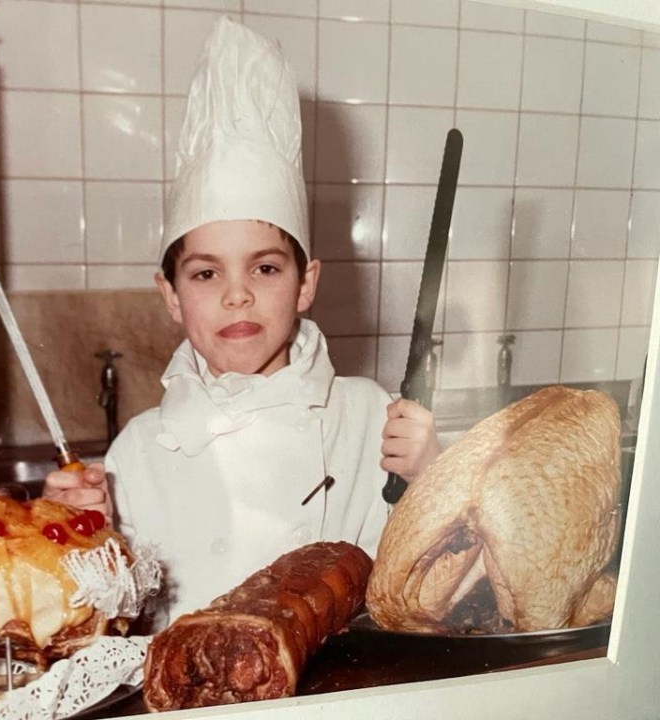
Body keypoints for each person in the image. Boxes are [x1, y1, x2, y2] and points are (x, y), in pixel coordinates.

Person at [44, 17, 439, 621]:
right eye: (206, 274)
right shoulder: (140, 451)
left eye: (265, 269)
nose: (237, 296)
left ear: (305, 284)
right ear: (171, 295)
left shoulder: (367, 417)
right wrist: (73, 540)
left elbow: (431, 584)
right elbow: (103, 622)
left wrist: (432, 478)